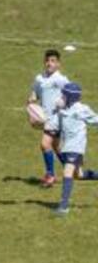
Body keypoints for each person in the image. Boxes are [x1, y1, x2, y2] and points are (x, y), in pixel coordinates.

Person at [45, 82, 98, 215]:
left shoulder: (82, 109)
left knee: (67, 172)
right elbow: (51, 126)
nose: (61, 97)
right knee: (78, 175)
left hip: (77, 146)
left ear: (70, 97)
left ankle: (63, 206)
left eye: (64, 95)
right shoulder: (61, 111)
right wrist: (40, 121)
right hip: (67, 147)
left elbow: (95, 119)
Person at [30, 49, 69, 188]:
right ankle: (71, 169)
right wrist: (32, 99)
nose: (49, 63)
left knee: (45, 144)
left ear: (58, 64)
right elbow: (35, 92)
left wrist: (63, 102)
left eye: (53, 61)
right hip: (45, 118)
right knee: (56, 146)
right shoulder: (39, 78)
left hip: (56, 118)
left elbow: (72, 94)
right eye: (47, 60)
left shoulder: (60, 79)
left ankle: (50, 175)